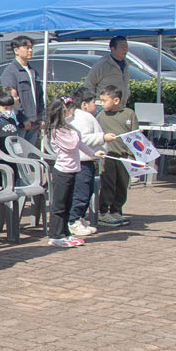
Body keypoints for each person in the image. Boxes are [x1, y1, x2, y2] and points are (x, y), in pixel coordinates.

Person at [66, 86, 113, 237]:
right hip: (83, 161)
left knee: (87, 192)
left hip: (89, 160)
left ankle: (79, 219)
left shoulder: (83, 116)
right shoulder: (82, 117)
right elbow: (82, 139)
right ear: (84, 104)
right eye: (93, 102)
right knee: (81, 193)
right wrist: (102, 138)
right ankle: (73, 221)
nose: (96, 105)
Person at [44, 95, 87, 248]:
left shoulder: (68, 129)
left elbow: (81, 145)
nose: (72, 114)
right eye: (70, 111)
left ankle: (65, 233)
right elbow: (72, 145)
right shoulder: (56, 130)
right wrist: (75, 131)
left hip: (73, 169)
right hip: (62, 171)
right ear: (62, 112)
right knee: (59, 205)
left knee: (68, 203)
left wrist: (95, 153)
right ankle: (55, 235)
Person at [94, 84, 138, 228]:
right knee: (108, 184)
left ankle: (116, 210)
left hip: (124, 156)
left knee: (122, 184)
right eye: (100, 100)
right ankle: (103, 211)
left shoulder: (129, 114)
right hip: (108, 157)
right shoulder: (101, 116)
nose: (102, 104)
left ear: (116, 100)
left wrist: (132, 157)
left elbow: (135, 136)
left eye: (104, 101)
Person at [0, 36, 42, 145]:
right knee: (19, 151)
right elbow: (10, 98)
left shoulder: (33, 71)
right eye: (27, 47)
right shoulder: (10, 72)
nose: (30, 50)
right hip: (20, 123)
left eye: (31, 47)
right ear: (16, 50)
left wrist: (42, 117)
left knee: (31, 152)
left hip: (34, 122)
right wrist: (22, 119)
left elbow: (39, 96)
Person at [84, 36, 133, 104]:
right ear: (112, 49)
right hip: (103, 106)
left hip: (120, 106)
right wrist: (95, 103)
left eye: (126, 47)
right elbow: (88, 85)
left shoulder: (125, 64)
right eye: (122, 47)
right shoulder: (102, 65)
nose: (125, 49)